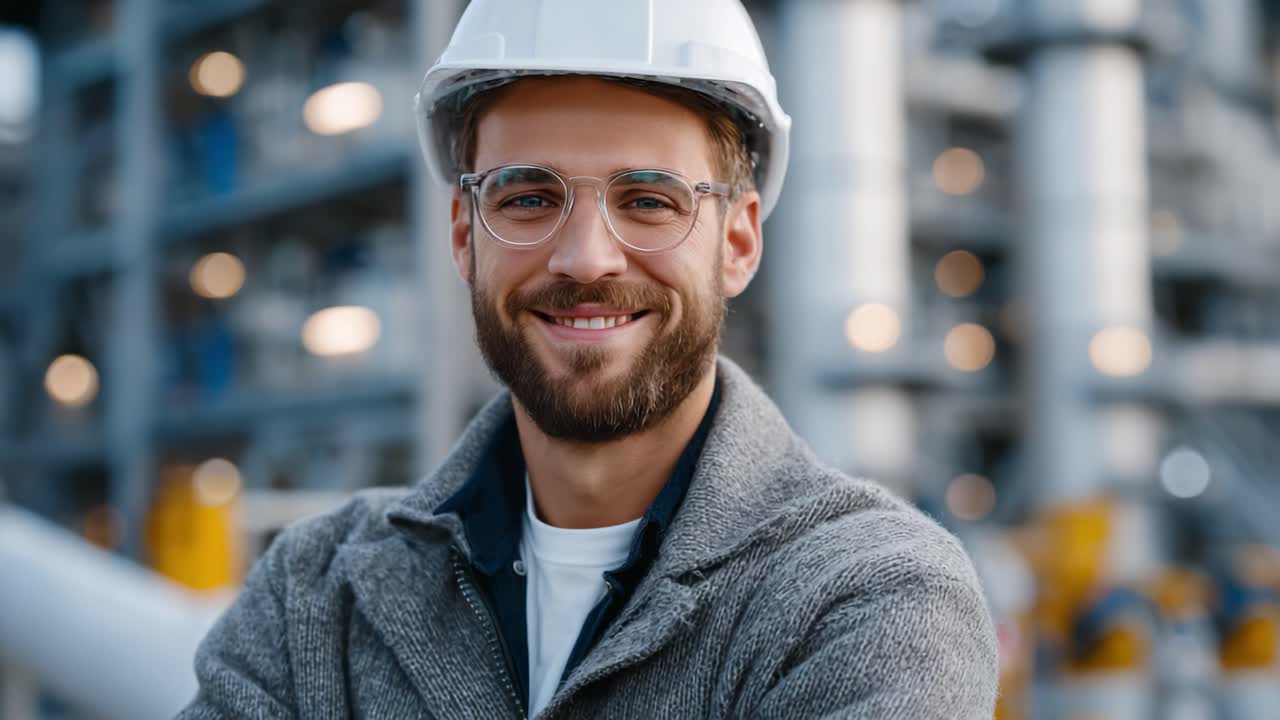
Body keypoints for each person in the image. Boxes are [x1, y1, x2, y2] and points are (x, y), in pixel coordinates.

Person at [178, 1, 998, 717]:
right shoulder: (318, 594)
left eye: (648, 201)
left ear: (739, 241)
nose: (585, 259)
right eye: (528, 198)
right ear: (465, 238)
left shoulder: (871, 600)